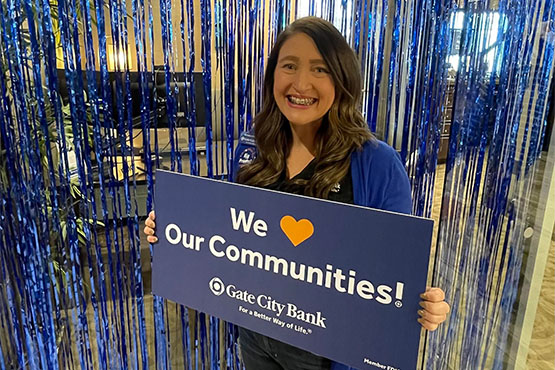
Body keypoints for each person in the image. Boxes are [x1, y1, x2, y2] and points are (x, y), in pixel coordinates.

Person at [144, 16, 449, 370]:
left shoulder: (377, 164)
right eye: (289, 65)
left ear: (342, 80)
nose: (301, 83)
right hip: (256, 337)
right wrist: (170, 233)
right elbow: (230, 243)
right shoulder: (255, 150)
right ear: (273, 75)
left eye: (320, 70)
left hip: (325, 355)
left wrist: (426, 306)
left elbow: (394, 274)